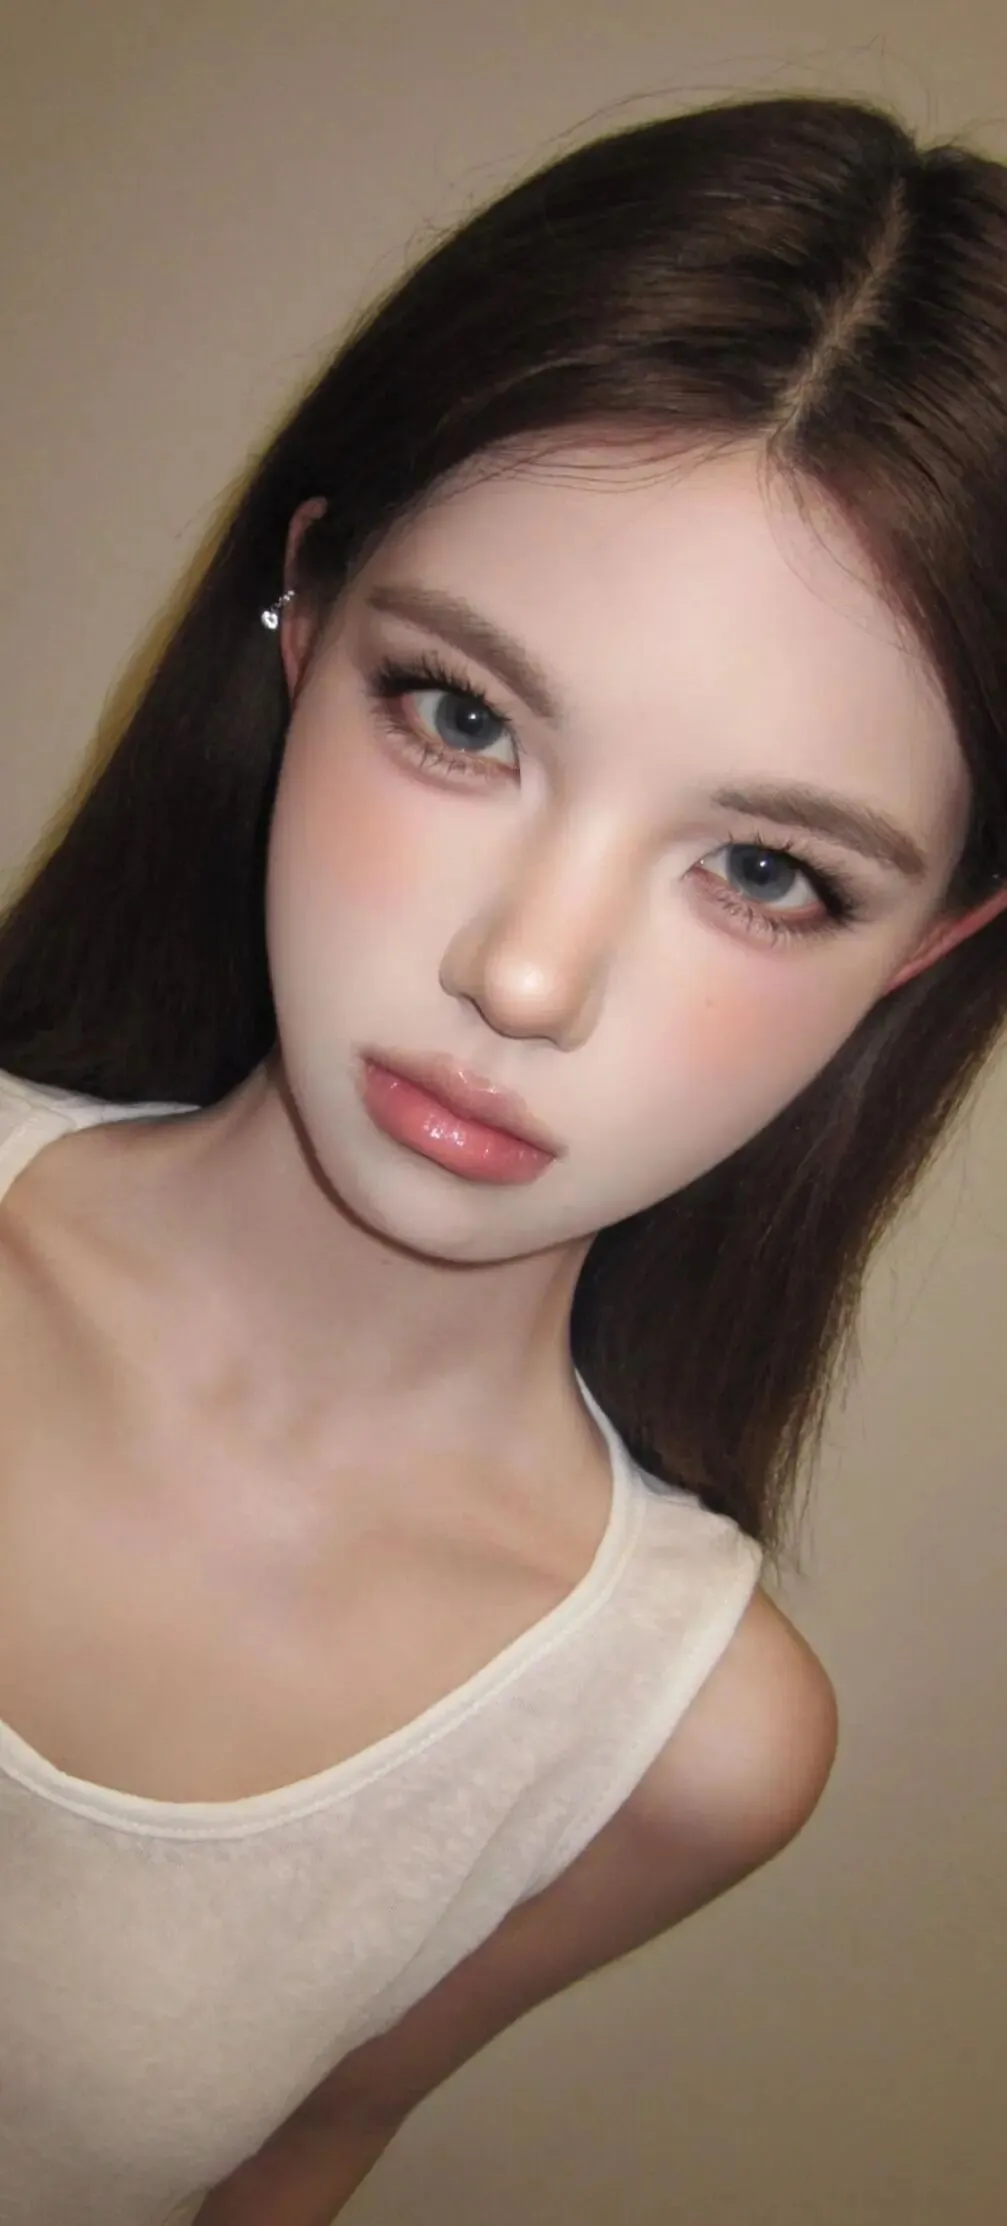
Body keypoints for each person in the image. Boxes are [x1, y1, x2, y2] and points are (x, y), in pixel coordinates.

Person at [2, 86, 1006, 2226]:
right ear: (303, 615)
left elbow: (298, 2151)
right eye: (462, 717)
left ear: (924, 949)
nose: (525, 974)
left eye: (763, 869)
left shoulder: (680, 1741)